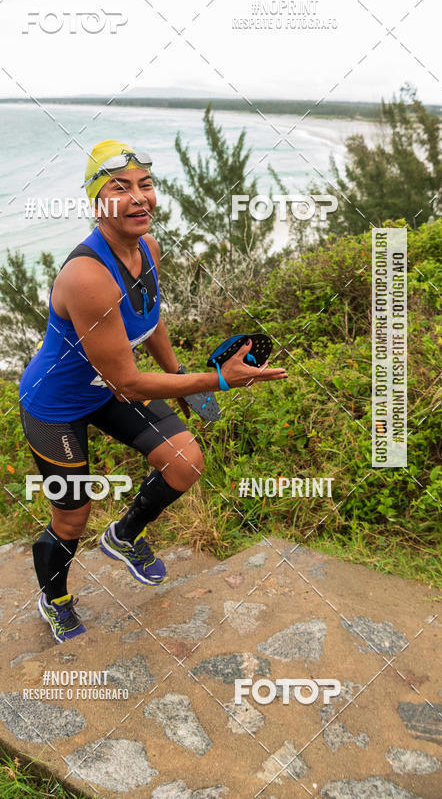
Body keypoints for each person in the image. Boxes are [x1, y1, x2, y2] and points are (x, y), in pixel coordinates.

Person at [18, 139, 288, 642]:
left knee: (184, 461)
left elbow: (151, 319)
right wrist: (221, 380)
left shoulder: (148, 249)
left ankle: (124, 535)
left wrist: (181, 376)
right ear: (96, 201)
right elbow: (129, 381)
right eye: (120, 188)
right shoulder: (86, 277)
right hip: (54, 404)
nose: (139, 198)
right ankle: (53, 597)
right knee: (72, 513)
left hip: (108, 387)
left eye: (146, 185)